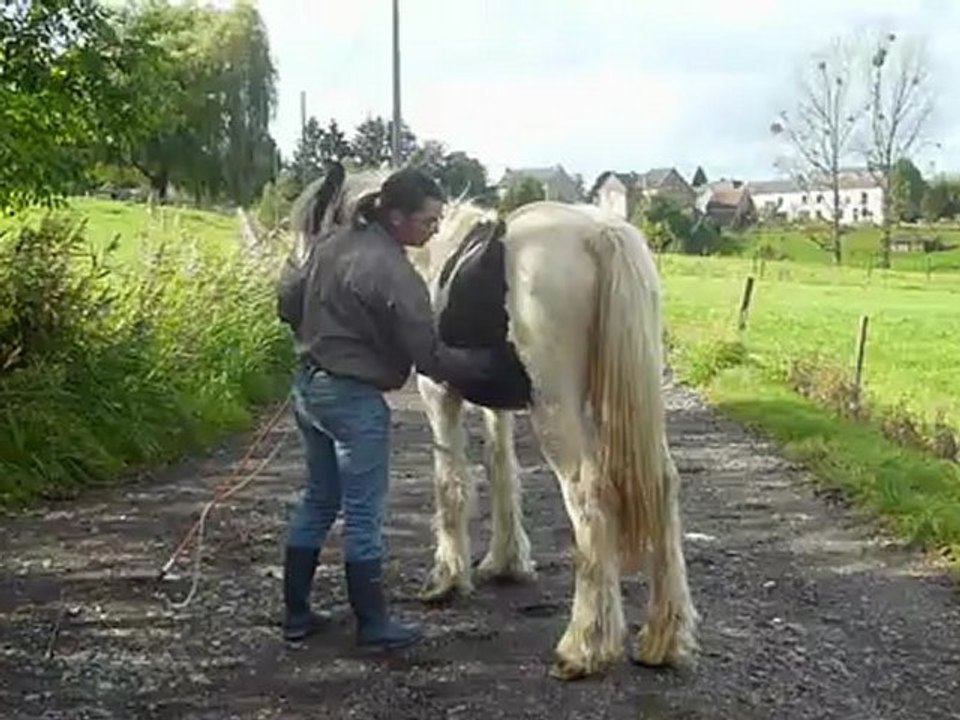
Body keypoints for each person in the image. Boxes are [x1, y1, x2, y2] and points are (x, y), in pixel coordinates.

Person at [277, 167, 502, 650]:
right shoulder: (396, 273)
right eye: (428, 221)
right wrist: (487, 364)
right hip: (354, 401)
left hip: (308, 388)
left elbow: (288, 301)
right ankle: (373, 624)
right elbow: (430, 357)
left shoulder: (332, 242)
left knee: (318, 499)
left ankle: (296, 615)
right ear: (396, 217)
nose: (435, 231)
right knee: (363, 513)